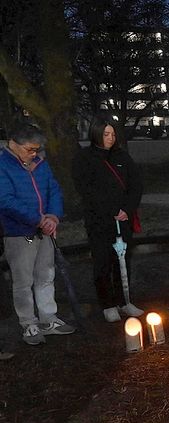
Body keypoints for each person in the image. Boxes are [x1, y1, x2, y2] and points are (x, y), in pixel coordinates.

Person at [0, 123, 75, 345]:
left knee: (46, 275)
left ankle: (48, 317)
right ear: (13, 144)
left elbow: (53, 189)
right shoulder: (3, 165)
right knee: (23, 281)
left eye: (36, 149)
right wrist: (37, 219)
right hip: (19, 233)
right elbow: (5, 200)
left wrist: (53, 216)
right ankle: (28, 323)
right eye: (29, 149)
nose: (34, 153)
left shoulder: (41, 164)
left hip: (45, 231)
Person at [73, 114, 144, 322]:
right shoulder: (84, 159)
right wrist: (110, 209)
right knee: (102, 261)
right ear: (96, 133)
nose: (110, 138)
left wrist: (127, 209)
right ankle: (108, 303)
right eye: (106, 134)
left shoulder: (122, 157)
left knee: (122, 261)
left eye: (113, 134)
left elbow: (136, 185)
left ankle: (125, 300)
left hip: (123, 220)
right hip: (99, 222)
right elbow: (87, 190)